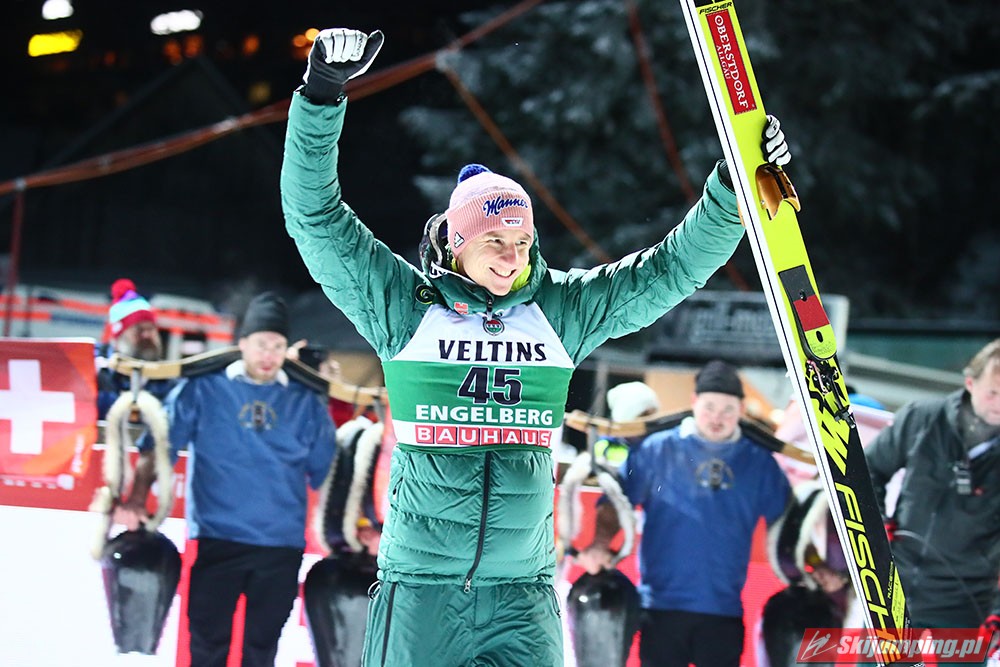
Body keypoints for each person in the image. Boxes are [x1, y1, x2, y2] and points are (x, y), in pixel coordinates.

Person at [279, 28, 791, 667]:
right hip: (422, 590)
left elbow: (670, 271)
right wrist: (321, 95)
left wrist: (732, 188)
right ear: (458, 241)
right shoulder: (404, 308)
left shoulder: (560, 312)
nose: (510, 257)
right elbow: (316, 219)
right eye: (494, 241)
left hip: (523, 596)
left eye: (521, 243)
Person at [122, 291, 337, 666]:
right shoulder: (203, 387)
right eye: (261, 344)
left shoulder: (305, 401)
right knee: (207, 647)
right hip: (216, 539)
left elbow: (323, 468)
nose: (269, 354)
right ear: (242, 343)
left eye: (277, 346)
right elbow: (160, 444)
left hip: (281, 547)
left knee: (261, 651)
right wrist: (137, 498)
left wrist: (326, 395)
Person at [577, 360, 792, 667]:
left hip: (723, 613)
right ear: (693, 402)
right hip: (659, 609)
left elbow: (789, 526)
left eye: (727, 410)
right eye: (709, 407)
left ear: (742, 410)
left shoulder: (760, 463)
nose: (717, 417)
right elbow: (616, 502)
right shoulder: (656, 449)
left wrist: (810, 567)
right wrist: (600, 544)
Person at [865, 338, 1000, 634]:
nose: (999, 404)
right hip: (892, 587)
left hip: (966, 605)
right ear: (970, 383)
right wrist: (877, 524)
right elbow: (868, 470)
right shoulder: (922, 418)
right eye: (993, 393)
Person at [96, 278, 171, 419]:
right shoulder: (97, 368)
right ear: (119, 337)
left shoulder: (165, 378)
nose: (147, 335)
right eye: (139, 330)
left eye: (151, 329)